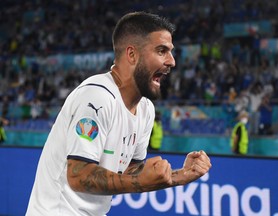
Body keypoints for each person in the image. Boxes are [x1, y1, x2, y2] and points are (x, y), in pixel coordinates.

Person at [26, 12, 212, 216]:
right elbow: (78, 175)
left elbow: (129, 172)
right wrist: (139, 181)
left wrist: (180, 176)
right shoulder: (97, 96)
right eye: (162, 51)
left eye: (170, 52)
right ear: (131, 54)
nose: (172, 61)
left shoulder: (145, 109)